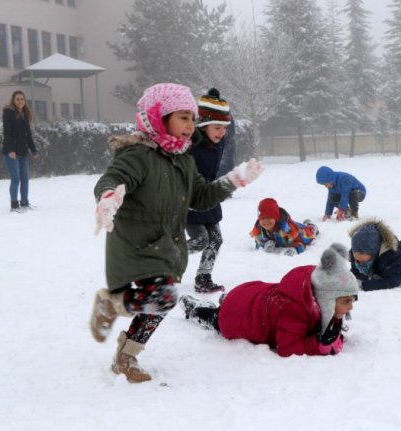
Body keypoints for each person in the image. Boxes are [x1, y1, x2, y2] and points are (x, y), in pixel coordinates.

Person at [88, 83, 263, 383]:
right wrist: (108, 198)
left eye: (193, 118)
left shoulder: (183, 159)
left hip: (166, 247)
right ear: (159, 116)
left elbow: (201, 197)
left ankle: (125, 357)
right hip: (136, 246)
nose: (190, 125)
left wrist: (234, 180)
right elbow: (113, 178)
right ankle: (110, 305)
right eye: (183, 117)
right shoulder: (137, 155)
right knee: (164, 298)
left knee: (161, 303)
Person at [179, 243, 359, 357]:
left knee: (234, 303)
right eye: (346, 301)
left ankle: (227, 300)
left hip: (250, 294)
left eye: (352, 300)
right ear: (327, 299)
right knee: (216, 318)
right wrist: (316, 345)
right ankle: (195, 308)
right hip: (237, 317)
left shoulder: (315, 286)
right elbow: (287, 348)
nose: (350, 306)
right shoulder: (294, 310)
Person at [186, 88, 232, 293]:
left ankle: (203, 277)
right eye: (217, 127)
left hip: (209, 196)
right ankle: (164, 258)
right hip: (190, 200)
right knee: (199, 240)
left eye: (224, 128)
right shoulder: (190, 144)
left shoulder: (218, 142)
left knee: (216, 239)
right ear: (203, 125)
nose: (221, 133)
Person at [2, 90, 38, 212]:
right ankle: (14, 204)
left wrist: (33, 150)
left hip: (23, 153)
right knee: (16, 179)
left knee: (25, 178)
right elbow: (7, 134)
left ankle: (24, 202)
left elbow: (28, 134)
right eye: (18, 99)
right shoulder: (8, 113)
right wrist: (11, 150)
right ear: (13, 100)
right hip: (11, 153)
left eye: (22, 99)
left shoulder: (24, 114)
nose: (20, 101)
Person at [250, 197, 319, 256]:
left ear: (276, 218)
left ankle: (311, 226)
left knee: (308, 232)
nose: (265, 221)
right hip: (286, 231)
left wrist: (295, 249)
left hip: (299, 230)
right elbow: (258, 243)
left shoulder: (289, 230)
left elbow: (302, 243)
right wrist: (264, 246)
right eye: (262, 218)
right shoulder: (259, 230)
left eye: (269, 217)